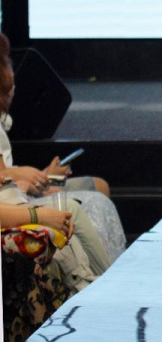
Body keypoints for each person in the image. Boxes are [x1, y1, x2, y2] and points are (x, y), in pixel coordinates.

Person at [0, 33, 126, 262]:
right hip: (14, 201)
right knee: (81, 207)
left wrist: (40, 176)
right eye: (7, 65)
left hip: (18, 196)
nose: (12, 73)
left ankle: (105, 273)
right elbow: (5, 179)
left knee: (97, 194)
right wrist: (26, 189)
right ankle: (102, 276)